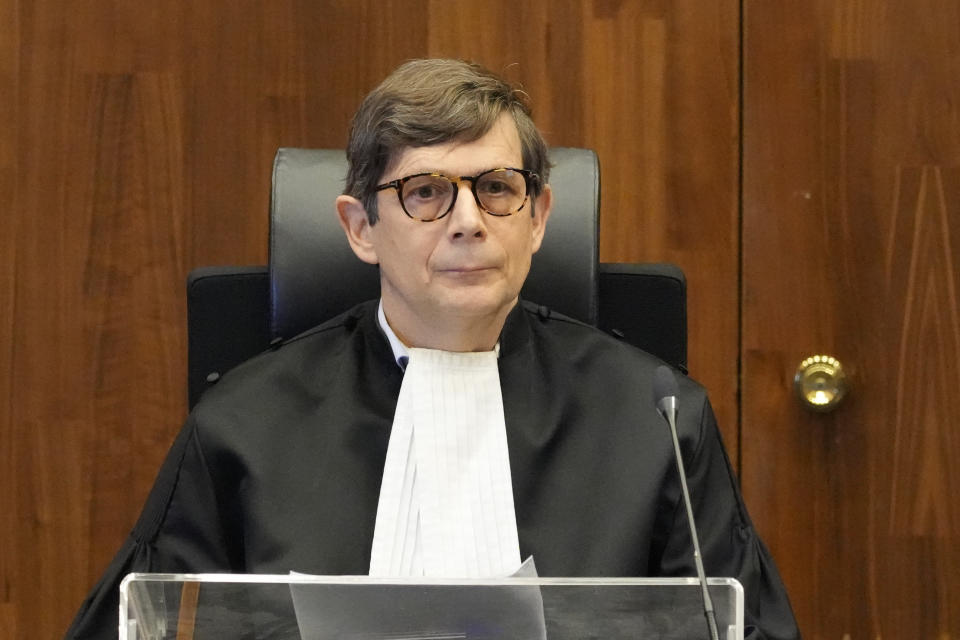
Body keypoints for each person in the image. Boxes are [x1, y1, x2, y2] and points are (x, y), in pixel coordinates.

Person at [67, 58, 799, 639]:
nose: (469, 221)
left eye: (497, 188)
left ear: (539, 216)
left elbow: (742, 627)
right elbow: (142, 622)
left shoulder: (657, 419)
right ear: (360, 227)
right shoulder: (244, 422)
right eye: (426, 192)